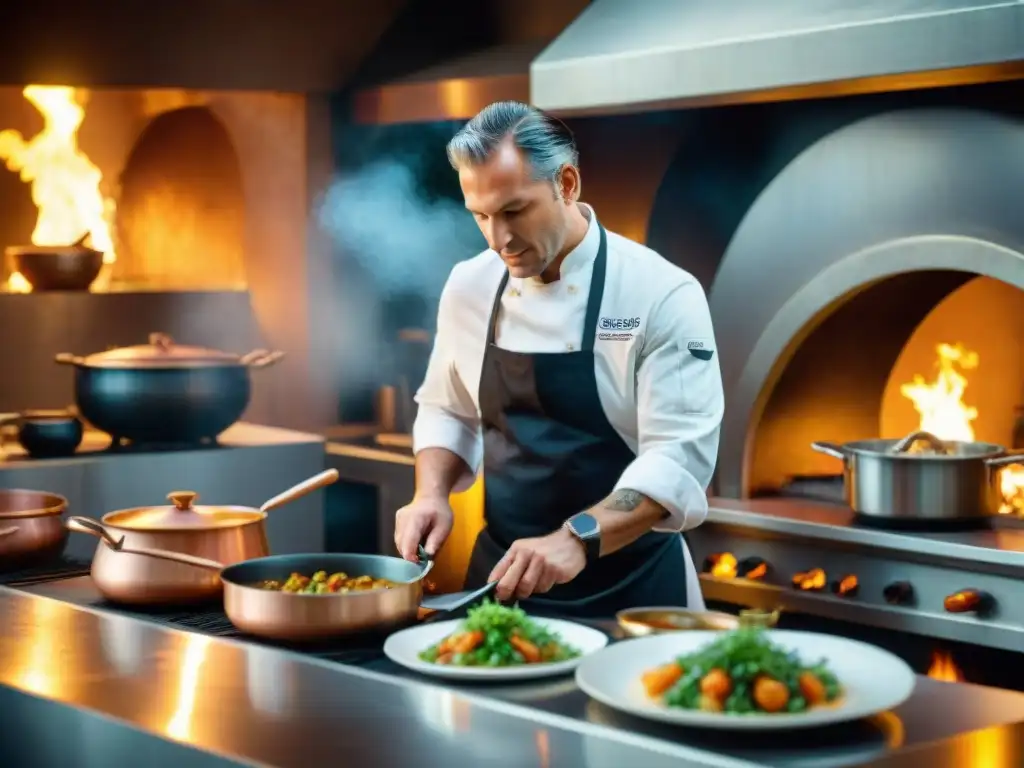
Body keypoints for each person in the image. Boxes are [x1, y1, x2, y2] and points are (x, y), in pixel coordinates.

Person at [393, 101, 724, 618]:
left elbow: (677, 461)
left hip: (634, 595)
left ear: (566, 184)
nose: (498, 239)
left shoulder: (661, 293)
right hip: (500, 590)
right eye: (480, 216)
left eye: (513, 211)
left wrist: (576, 539)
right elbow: (447, 407)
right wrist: (430, 493)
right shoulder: (469, 286)